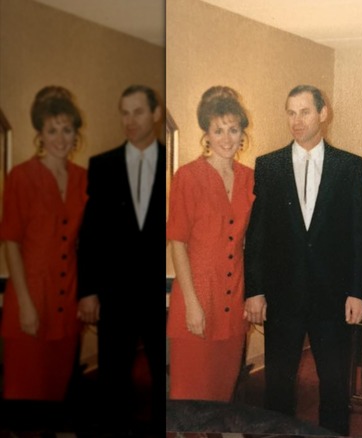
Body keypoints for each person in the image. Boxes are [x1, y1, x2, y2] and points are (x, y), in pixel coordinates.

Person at [243, 84, 362, 436]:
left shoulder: (349, 166)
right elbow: (257, 234)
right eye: (290, 112)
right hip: (282, 297)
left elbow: (359, 235)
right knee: (278, 386)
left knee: (333, 385)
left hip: (333, 298)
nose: (296, 121)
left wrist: (357, 293)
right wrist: (254, 290)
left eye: (304, 112)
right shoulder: (268, 165)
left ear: (323, 114)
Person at [76, 85, 166, 434]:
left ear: (156, 114)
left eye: (138, 112)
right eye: (124, 112)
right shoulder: (102, 165)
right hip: (115, 296)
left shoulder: (173, 166)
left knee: (162, 377)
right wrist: (88, 291)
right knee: (113, 381)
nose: (129, 120)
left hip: (159, 296)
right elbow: (92, 234)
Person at [167, 86, 253, 401]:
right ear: (207, 133)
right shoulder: (187, 177)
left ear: (243, 132)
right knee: (189, 395)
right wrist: (192, 303)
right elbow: (177, 242)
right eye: (219, 130)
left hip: (234, 300)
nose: (227, 138)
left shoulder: (250, 179)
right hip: (198, 297)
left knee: (222, 392)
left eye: (233, 129)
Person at [0, 86, 87, 400]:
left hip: (68, 303)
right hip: (31, 298)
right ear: (40, 132)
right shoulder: (21, 177)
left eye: (67, 129)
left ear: (76, 132)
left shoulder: (84, 179)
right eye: (53, 130)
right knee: (24, 391)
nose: (61, 138)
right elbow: (11, 243)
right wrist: (25, 304)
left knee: (56, 390)